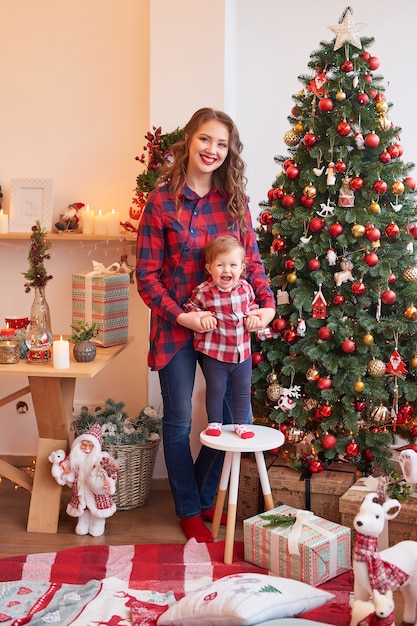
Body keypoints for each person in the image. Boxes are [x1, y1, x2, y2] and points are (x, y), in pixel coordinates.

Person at [136, 107, 275, 543]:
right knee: (178, 420)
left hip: (228, 330)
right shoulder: (161, 202)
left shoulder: (234, 203)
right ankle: (190, 509)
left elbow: (251, 262)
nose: (212, 150)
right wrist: (181, 314)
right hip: (177, 325)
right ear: (189, 141)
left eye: (221, 144)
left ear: (229, 151)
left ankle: (200, 493)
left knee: (231, 420)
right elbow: (146, 276)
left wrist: (267, 306)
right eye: (205, 140)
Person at [184, 235, 261, 439]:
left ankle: (241, 424)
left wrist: (254, 317)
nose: (227, 270)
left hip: (242, 353)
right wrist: (201, 318)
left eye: (233, 265)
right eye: (220, 265)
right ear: (209, 268)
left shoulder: (245, 288)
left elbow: (252, 307)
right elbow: (190, 309)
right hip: (215, 354)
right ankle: (215, 422)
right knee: (216, 390)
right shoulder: (204, 291)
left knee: (243, 391)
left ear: (242, 267)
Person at [50, 422, 119, 537]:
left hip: (96, 491)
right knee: (83, 508)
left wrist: (108, 483)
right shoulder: (76, 459)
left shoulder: (102, 460)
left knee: (96, 509)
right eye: (84, 445)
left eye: (90, 445)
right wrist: (64, 473)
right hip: (81, 491)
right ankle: (83, 523)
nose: (87, 448)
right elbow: (65, 469)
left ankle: (97, 524)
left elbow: (111, 472)